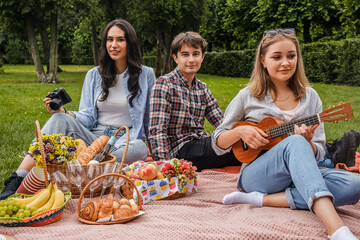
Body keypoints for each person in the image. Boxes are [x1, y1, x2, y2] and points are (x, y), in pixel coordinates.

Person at [211, 28, 360, 240]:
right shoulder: (247, 96)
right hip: (257, 174)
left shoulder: (311, 97)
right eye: (277, 57)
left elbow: (320, 151)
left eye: (291, 56)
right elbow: (217, 142)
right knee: (295, 142)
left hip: (299, 173)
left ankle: (261, 200)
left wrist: (308, 143)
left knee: (353, 186)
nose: (285, 63)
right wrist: (241, 132)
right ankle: (336, 229)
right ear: (263, 60)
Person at [0, 19, 156, 200]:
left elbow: (149, 118)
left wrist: (152, 147)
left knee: (139, 148)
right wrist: (65, 113)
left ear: (130, 43)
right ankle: (18, 178)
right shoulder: (93, 75)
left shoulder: (146, 75)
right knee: (59, 119)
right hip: (93, 138)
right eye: (109, 39)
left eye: (120, 40)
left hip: (125, 139)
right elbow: (88, 116)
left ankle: (84, 166)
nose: (113, 45)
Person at [148, 31, 239, 171]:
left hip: (201, 143)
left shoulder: (202, 88)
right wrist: (166, 167)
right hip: (179, 150)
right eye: (185, 54)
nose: (191, 59)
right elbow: (157, 130)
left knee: (243, 148)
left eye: (195, 54)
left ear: (202, 57)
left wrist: (238, 134)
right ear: (175, 58)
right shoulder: (164, 84)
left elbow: (222, 122)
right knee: (234, 150)